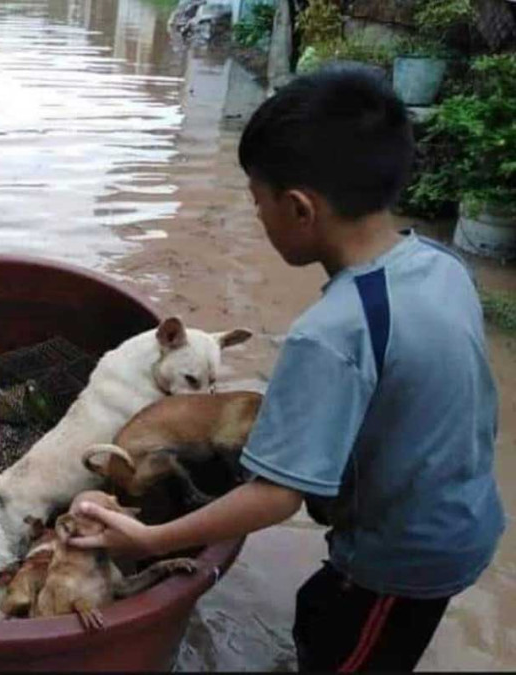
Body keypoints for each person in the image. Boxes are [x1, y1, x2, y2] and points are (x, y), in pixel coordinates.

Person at [69, 67, 505, 672]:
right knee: (320, 617)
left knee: (346, 656)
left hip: (403, 559)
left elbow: (275, 497)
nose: (258, 218)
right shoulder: (441, 264)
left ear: (299, 208)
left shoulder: (330, 333)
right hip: (465, 512)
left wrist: (148, 538)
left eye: (257, 203)